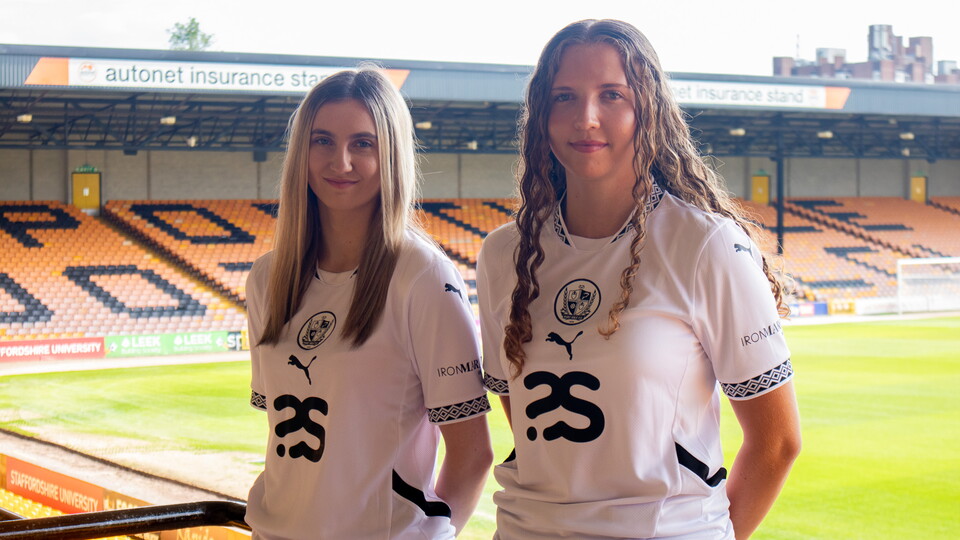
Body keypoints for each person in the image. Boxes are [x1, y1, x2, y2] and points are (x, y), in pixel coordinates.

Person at [478, 19, 801, 540]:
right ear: (541, 115)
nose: (586, 118)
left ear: (647, 108)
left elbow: (778, 441)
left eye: (612, 95)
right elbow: (528, 426)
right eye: (564, 97)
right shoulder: (502, 255)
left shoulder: (704, 246)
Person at [244, 67, 493, 539]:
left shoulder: (423, 277)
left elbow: (473, 453)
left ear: (392, 154)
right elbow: (284, 438)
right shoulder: (267, 279)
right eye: (322, 141)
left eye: (363, 143)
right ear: (301, 152)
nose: (340, 161)